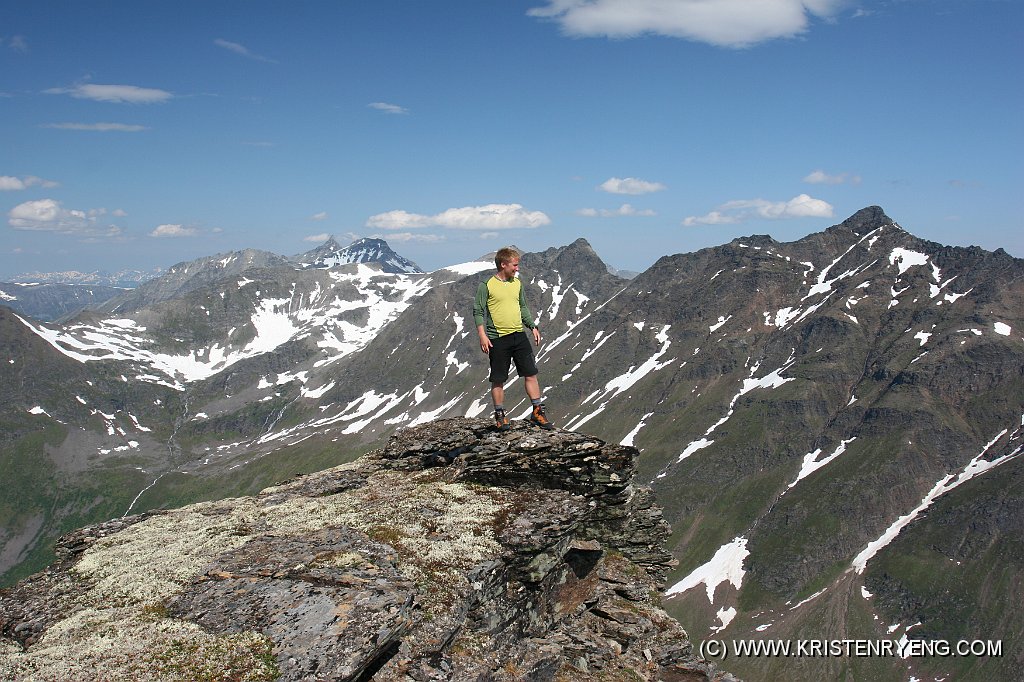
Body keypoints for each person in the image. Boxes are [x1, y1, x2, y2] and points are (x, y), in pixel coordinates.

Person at [473, 247, 553, 432]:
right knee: (499, 378)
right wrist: (482, 335)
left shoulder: (517, 283)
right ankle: (500, 415)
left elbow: (523, 307)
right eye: (514, 265)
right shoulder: (486, 286)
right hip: (498, 338)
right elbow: (478, 310)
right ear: (503, 264)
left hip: (519, 335)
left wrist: (532, 326)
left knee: (531, 373)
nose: (517, 269)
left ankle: (537, 411)